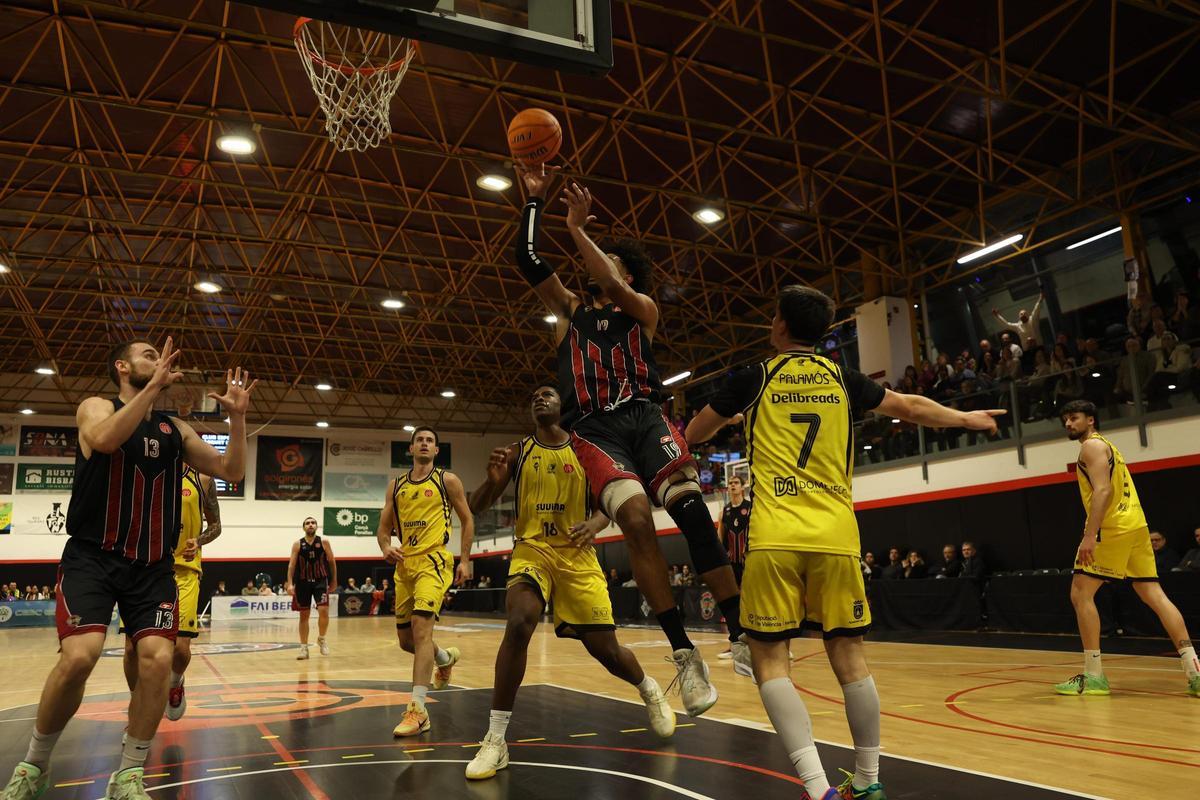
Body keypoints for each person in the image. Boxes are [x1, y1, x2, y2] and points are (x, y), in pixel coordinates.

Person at [686, 284, 1003, 799]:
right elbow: (910, 407)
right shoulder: (842, 377)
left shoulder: (755, 376)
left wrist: (734, 417)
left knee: (770, 661)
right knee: (850, 658)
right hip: (836, 536)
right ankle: (871, 782)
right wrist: (967, 417)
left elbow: (696, 433)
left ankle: (817, 788)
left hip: (775, 539)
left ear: (780, 326)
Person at [512, 164, 747, 715]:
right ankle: (685, 654)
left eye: (608, 258)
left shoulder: (643, 310)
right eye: (592, 254)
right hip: (594, 431)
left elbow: (614, 283)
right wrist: (534, 204)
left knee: (692, 516)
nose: (595, 262)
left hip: (646, 417)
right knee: (637, 520)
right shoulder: (569, 311)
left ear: (628, 275)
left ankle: (739, 631)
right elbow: (527, 261)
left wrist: (577, 230)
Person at [2, 339, 253, 800]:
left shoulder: (175, 428)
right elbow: (104, 440)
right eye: (149, 355)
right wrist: (153, 388)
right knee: (80, 656)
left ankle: (130, 774)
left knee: (158, 661)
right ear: (122, 366)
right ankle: (34, 763)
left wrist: (237, 420)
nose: (158, 361)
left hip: (153, 566)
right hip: (93, 557)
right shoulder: (95, 407)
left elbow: (230, 470)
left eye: (161, 357)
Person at [463, 384, 675, 780]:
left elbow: (606, 506)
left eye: (547, 394)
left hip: (577, 557)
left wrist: (595, 523)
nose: (538, 399)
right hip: (533, 550)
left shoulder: (587, 449)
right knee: (520, 619)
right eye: (533, 397)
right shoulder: (515, 452)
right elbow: (476, 507)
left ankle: (649, 689)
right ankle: (495, 739)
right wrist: (492, 481)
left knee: (606, 651)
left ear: (563, 406)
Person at [1055, 400, 1199, 697]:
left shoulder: (1091, 447)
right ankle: (1194, 671)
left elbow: (1103, 490)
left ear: (1090, 420)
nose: (1068, 424)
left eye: (1074, 418)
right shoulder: (1109, 446)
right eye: (1065, 420)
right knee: (1154, 594)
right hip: (1136, 525)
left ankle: (1093, 676)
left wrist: (1090, 535)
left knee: (1080, 593)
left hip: (1113, 528)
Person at [376, 426, 473, 737]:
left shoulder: (448, 480)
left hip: (434, 560)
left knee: (421, 630)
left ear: (436, 450)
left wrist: (466, 559)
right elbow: (383, 528)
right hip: (405, 565)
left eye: (430, 441)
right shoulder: (397, 486)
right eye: (419, 440)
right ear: (410, 448)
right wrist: (385, 547)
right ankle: (444, 658)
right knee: (408, 642)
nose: (424, 444)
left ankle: (418, 711)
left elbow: (468, 519)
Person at [122, 463, 221, 723]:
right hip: (142, 568)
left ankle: (175, 683)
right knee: (132, 648)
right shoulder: (143, 472)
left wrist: (198, 541)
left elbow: (216, 526)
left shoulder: (203, 479)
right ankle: (136, 704)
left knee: (180, 648)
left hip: (184, 571)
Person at [287, 517, 337, 660]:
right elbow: (291, 565)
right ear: (304, 527)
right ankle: (303, 648)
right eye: (307, 523)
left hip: (320, 581)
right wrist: (290, 583)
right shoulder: (297, 544)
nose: (310, 525)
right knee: (304, 616)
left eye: (313, 523)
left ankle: (322, 638)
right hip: (302, 582)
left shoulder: (324, 542)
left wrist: (334, 580)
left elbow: (332, 562)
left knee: (324, 611)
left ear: (316, 526)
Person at [718, 475, 752, 586]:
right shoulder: (724, 511)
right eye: (730, 483)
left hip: (748, 560)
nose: (733, 484)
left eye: (736, 482)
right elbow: (720, 535)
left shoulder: (750, 507)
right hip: (731, 562)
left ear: (742, 488)